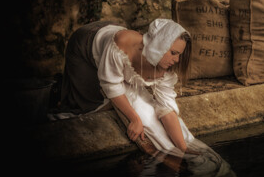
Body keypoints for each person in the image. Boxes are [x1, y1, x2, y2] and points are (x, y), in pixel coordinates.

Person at [60, 19, 193, 153]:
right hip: (85, 40)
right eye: (174, 53)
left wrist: (183, 148)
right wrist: (135, 119)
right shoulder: (122, 44)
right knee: (87, 103)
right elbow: (111, 85)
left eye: (179, 54)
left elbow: (167, 108)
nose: (177, 60)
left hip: (113, 29)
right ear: (159, 46)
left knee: (126, 97)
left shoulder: (167, 68)